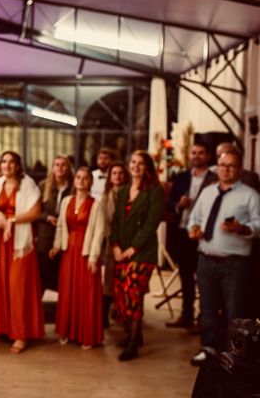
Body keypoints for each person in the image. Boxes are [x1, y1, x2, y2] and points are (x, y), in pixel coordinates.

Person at [188, 149, 260, 366]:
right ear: (217, 167)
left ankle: (234, 354)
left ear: (239, 169)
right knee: (207, 308)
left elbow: (259, 225)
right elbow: (194, 219)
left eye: (231, 166)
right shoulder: (208, 192)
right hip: (206, 260)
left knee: (235, 310)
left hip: (235, 263)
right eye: (222, 165)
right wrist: (193, 229)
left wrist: (242, 228)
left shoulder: (250, 195)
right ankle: (208, 348)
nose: (226, 169)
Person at [110, 150, 165, 361]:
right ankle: (135, 334)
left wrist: (132, 249)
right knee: (122, 294)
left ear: (148, 167)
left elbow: (151, 224)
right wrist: (115, 246)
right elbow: (116, 221)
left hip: (142, 253)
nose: (136, 166)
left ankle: (133, 342)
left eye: (141, 163)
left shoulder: (154, 191)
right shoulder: (123, 190)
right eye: (133, 162)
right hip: (121, 250)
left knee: (133, 292)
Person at [0, 151, 44, 353]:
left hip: (20, 241)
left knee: (18, 287)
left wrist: (12, 220)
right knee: (3, 285)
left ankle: (21, 333)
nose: (7, 165)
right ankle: (5, 328)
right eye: (4, 161)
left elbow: (36, 212)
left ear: (18, 165)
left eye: (12, 162)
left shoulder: (28, 184)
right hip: (1, 240)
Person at [50, 167, 105, 349]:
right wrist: (57, 246)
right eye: (78, 177)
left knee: (86, 293)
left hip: (86, 252)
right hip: (68, 252)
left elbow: (99, 233)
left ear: (91, 182)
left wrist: (93, 257)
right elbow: (60, 227)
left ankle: (86, 334)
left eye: (85, 178)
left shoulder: (96, 205)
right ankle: (67, 330)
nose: (81, 180)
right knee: (68, 291)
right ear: (74, 181)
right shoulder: (66, 201)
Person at [165, 142, 217, 329]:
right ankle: (186, 314)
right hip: (182, 230)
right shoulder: (181, 177)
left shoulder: (214, 178)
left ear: (209, 156)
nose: (196, 156)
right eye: (194, 152)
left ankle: (203, 319)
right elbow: (168, 204)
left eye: (201, 153)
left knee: (203, 277)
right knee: (185, 275)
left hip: (203, 234)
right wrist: (179, 204)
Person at [35, 155, 73, 293]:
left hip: (66, 235)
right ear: (52, 168)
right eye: (57, 165)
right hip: (45, 235)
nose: (60, 168)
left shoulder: (74, 186)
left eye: (63, 165)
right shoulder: (43, 185)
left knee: (62, 275)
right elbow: (35, 211)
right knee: (43, 274)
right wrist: (47, 217)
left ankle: (62, 308)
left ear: (68, 168)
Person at [101, 162, 128, 327]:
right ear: (110, 177)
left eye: (120, 173)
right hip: (111, 241)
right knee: (109, 280)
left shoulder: (130, 194)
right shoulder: (106, 196)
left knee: (126, 280)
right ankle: (104, 315)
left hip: (127, 241)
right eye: (114, 173)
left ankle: (125, 315)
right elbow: (106, 221)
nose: (118, 176)